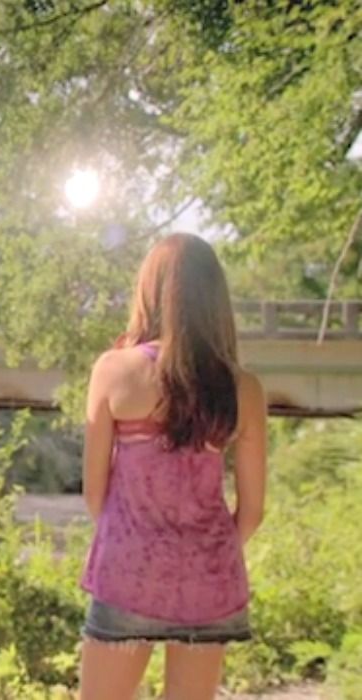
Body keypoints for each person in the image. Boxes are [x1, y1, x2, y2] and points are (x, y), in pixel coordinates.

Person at [78, 233, 268, 700]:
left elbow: (93, 494)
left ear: (150, 290)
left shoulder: (114, 370)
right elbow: (253, 510)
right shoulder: (243, 389)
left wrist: (138, 546)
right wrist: (202, 555)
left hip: (127, 573)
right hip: (209, 580)